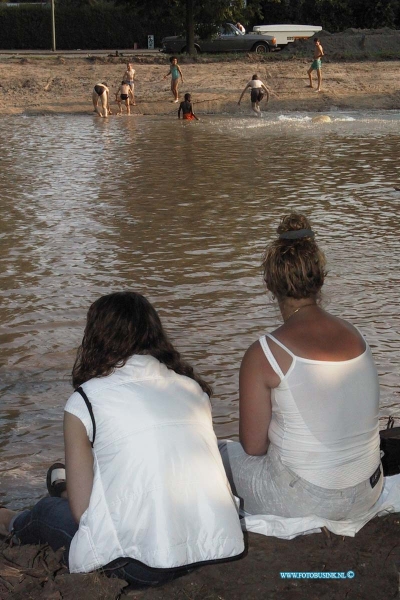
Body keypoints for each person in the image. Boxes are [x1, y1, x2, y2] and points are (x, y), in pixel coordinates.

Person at [0, 292, 244, 586]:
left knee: (45, 513)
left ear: (95, 338)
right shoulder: (193, 389)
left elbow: (83, 514)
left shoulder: (86, 399)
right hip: (219, 546)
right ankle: (63, 487)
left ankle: (9, 520)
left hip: (140, 565)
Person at [219, 214, 383, 521]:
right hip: (369, 491)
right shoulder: (357, 336)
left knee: (217, 454)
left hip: (306, 500)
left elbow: (253, 447)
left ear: (270, 284)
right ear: (320, 278)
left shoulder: (264, 353)